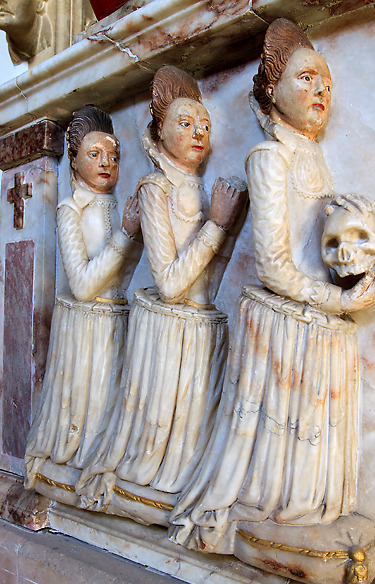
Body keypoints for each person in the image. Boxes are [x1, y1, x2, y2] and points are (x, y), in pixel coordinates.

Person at [169, 19, 375, 554]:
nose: (321, 91)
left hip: (313, 322)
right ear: (271, 90)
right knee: (274, 473)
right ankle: (269, 521)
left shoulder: (310, 153)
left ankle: (307, 512)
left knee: (312, 466)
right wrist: (336, 299)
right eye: (308, 78)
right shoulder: (269, 157)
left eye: (327, 85)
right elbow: (271, 266)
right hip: (282, 323)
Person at [75, 67, 247, 524]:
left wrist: (224, 229)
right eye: (185, 123)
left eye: (205, 125)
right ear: (158, 129)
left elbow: (207, 280)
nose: (198, 132)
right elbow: (170, 283)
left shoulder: (194, 185)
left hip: (196, 328)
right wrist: (216, 225)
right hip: (168, 333)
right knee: (156, 448)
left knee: (188, 441)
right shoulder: (154, 188)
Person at [25, 105, 143, 492]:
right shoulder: (69, 209)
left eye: (113, 156)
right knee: (85, 409)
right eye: (94, 154)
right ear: (73, 160)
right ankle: (72, 465)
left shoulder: (123, 206)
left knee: (112, 408)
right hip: (85, 326)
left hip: (119, 320)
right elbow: (80, 284)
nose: (107, 163)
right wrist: (126, 235)